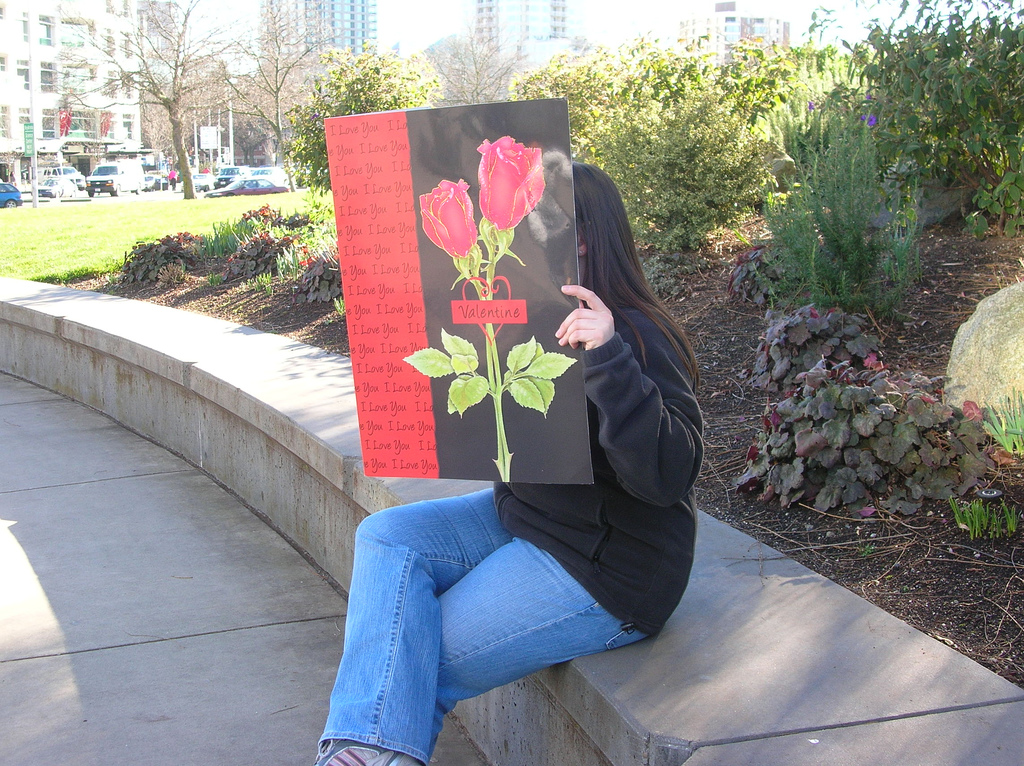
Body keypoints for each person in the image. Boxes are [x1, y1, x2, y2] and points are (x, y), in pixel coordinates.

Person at [314, 162, 704, 766]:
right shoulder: (523, 308)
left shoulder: (635, 334)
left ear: (583, 239)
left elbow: (666, 476)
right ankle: (366, 753)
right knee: (387, 536)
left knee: (405, 659)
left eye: (539, 222)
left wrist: (610, 357)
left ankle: (367, 758)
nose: (521, 233)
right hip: (531, 517)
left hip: (611, 566)